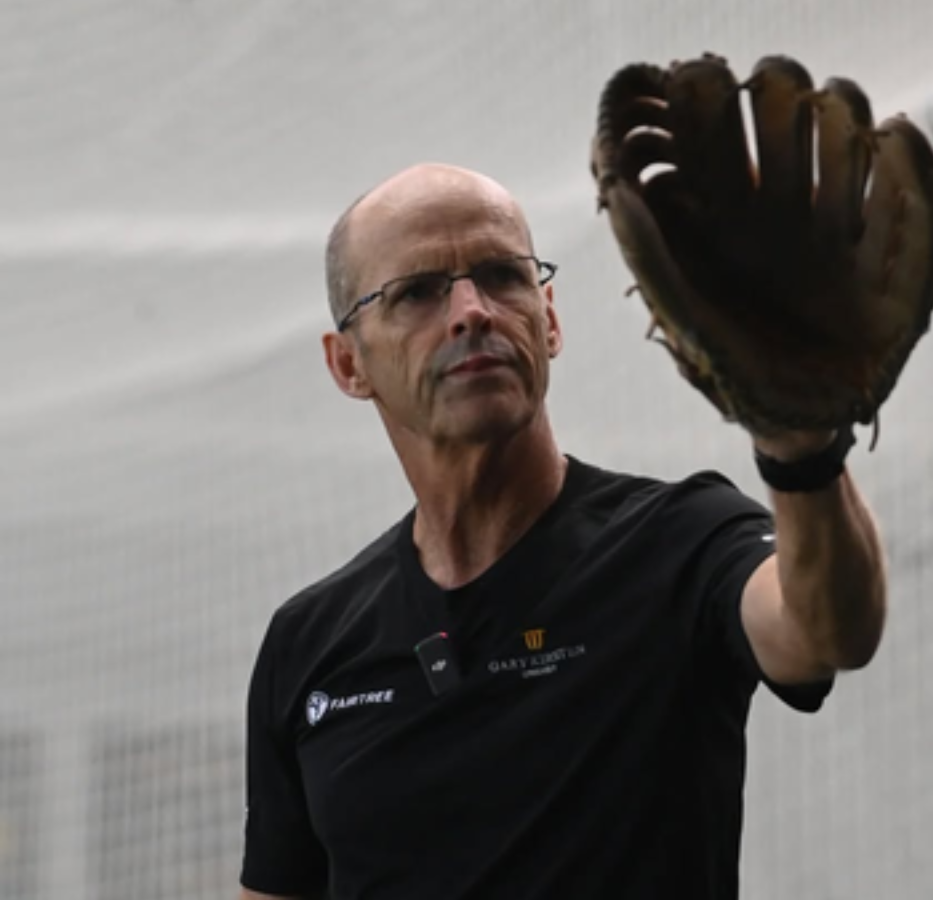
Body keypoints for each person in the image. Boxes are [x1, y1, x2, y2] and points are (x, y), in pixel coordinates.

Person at [239, 162, 887, 900]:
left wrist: (801, 446)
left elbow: (826, 633)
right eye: (417, 292)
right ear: (349, 363)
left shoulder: (680, 542)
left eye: (501, 276)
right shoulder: (308, 643)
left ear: (548, 319)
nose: (472, 311)